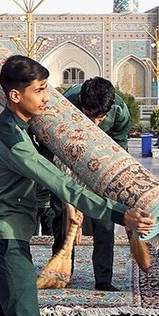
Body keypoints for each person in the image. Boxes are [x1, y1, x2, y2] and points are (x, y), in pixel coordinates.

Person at [0, 56, 153, 316]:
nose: (47, 98)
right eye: (40, 90)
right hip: (6, 242)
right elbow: (61, 183)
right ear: (15, 95)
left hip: (1, 238)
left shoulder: (6, 126)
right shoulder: (14, 140)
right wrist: (119, 213)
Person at [61, 77, 131, 291]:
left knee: (105, 221)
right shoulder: (65, 104)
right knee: (64, 220)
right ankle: (62, 272)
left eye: (99, 119)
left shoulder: (120, 111)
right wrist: (71, 204)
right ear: (81, 102)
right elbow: (57, 157)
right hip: (68, 157)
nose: (93, 125)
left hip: (102, 163)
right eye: (88, 117)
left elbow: (120, 152)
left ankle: (103, 278)